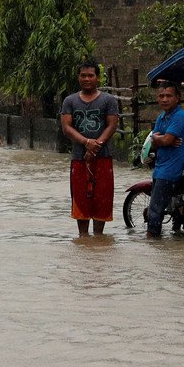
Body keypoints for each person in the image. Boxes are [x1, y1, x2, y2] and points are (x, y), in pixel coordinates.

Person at [60, 60, 120, 236]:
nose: (86, 79)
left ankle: (99, 239)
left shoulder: (108, 100)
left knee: (102, 199)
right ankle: (84, 239)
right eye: (83, 75)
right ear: (78, 77)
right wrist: (86, 143)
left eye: (90, 75)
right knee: (80, 200)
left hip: (103, 157)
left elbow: (111, 126)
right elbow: (67, 128)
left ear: (98, 78)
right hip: (79, 158)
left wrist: (94, 147)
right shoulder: (69, 101)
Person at [146, 81, 184, 238]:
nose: (164, 99)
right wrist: (158, 138)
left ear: (177, 98)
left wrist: (160, 139)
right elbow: (154, 141)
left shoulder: (180, 116)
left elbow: (163, 140)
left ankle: (152, 240)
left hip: (170, 170)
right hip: (160, 167)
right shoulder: (162, 117)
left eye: (168, 96)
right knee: (160, 207)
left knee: (155, 210)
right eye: (161, 96)